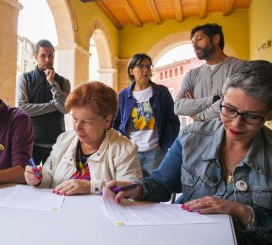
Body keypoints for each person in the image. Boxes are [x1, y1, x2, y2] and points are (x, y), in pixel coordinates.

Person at [107, 61, 272, 245]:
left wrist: (242, 212)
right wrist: (138, 188)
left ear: (268, 115)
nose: (235, 124)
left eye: (251, 116)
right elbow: (162, 183)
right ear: (222, 100)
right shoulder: (191, 137)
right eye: (229, 109)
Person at [25, 81, 142, 195]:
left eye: (86, 122)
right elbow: (49, 175)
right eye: (75, 119)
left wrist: (91, 186)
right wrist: (38, 178)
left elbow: (130, 191)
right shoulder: (64, 140)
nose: (77, 128)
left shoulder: (125, 149)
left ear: (107, 121)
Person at [113, 53, 180, 174]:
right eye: (141, 66)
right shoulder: (123, 95)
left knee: (154, 188)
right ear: (131, 70)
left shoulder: (161, 92)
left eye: (148, 66)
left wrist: (166, 144)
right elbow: (116, 122)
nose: (146, 70)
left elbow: (173, 120)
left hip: (155, 152)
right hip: (130, 151)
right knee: (132, 186)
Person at [17, 39, 71, 165]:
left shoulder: (63, 82)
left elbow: (64, 108)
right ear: (35, 57)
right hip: (31, 143)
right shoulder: (24, 79)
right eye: (43, 56)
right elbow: (23, 108)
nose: (47, 59)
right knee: (29, 182)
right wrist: (53, 105)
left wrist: (53, 83)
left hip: (57, 143)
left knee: (54, 183)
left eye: (50, 55)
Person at [174, 23, 242, 121]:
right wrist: (214, 100)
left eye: (199, 39)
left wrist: (198, 115)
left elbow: (233, 104)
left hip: (229, 135)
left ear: (215, 39)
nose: (194, 45)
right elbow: (178, 107)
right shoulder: (191, 75)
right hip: (199, 135)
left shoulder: (239, 68)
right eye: (192, 42)